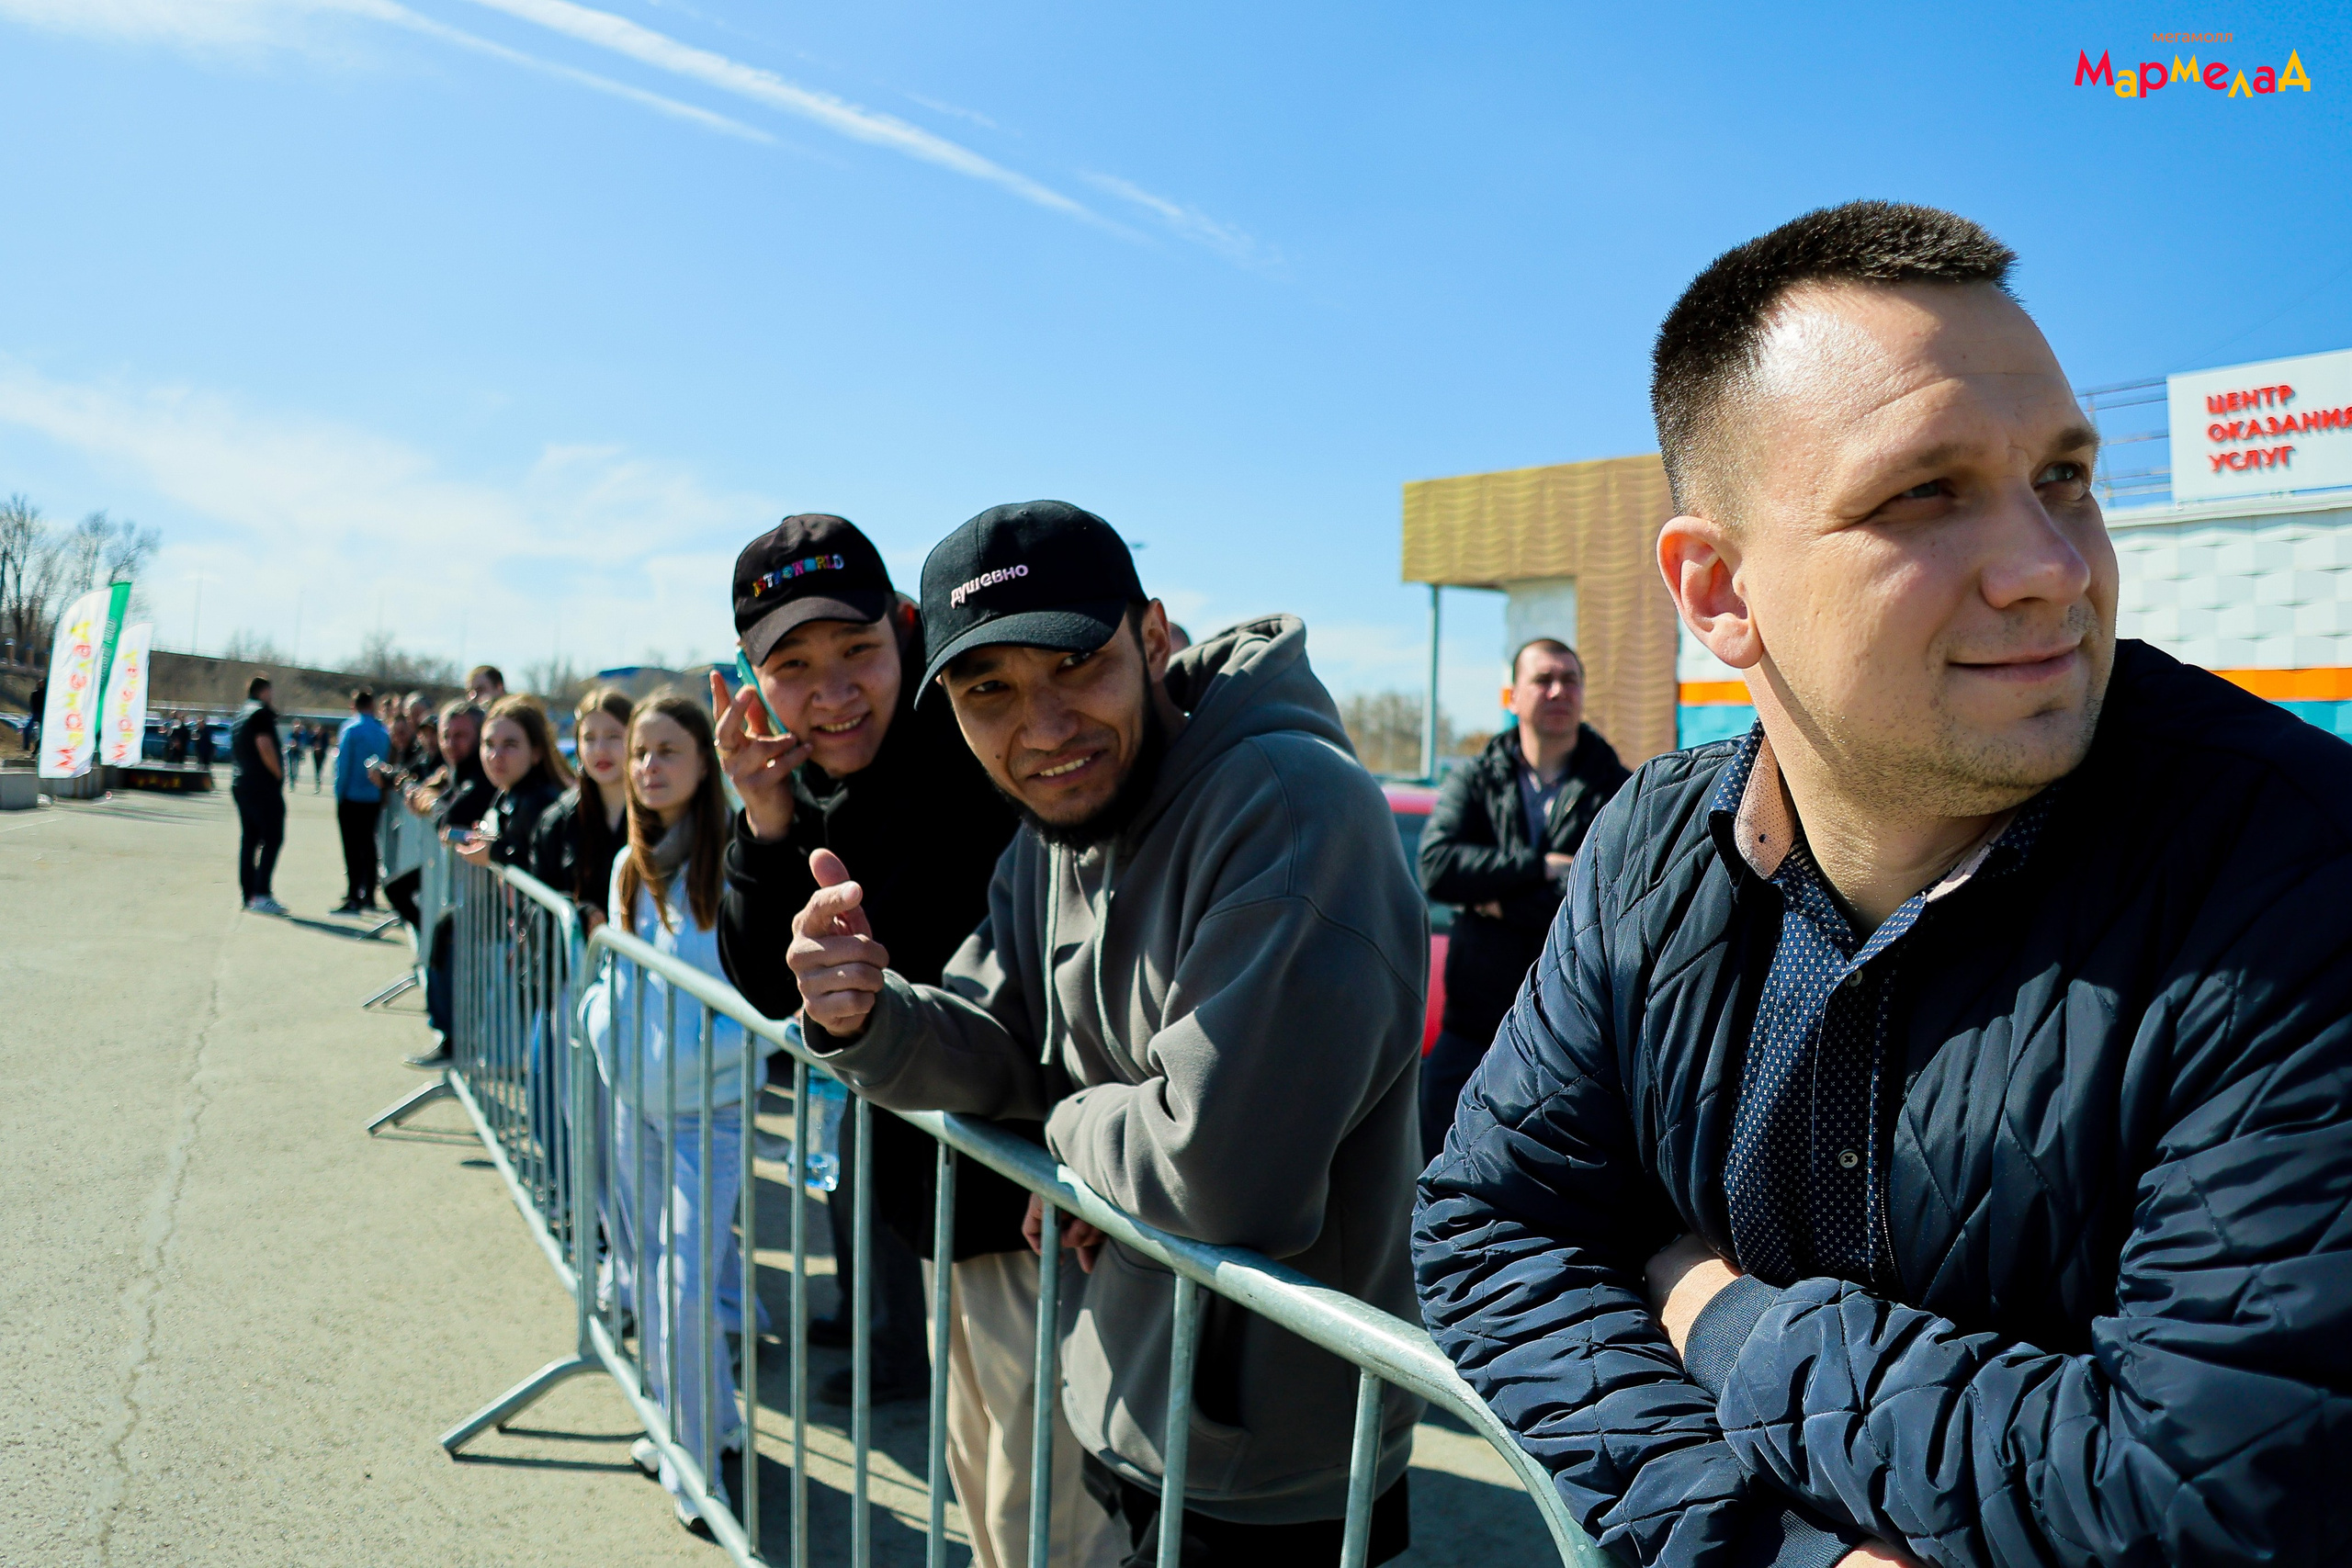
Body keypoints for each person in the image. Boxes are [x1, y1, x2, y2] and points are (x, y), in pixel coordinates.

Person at [1414, 201, 2352, 1568]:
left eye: (2066, 478)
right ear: (1721, 589)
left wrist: (1717, 1313)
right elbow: (1488, 1222)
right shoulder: (1651, 848)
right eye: (1924, 493)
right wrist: (1763, 1548)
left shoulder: (2295, 877)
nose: (2051, 568)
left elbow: (2213, 1492)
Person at [785, 501, 1428, 1566]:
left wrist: (1066, 1135)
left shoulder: (1290, 806)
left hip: (1274, 1471)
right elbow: (998, 1042)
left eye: (1073, 666)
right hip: (1119, 1396)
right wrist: (863, 1013)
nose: (1040, 727)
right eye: (988, 691)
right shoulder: (1055, 831)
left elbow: (1213, 1171)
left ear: (1155, 637)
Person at [708, 515, 1052, 1557]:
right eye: (793, 666)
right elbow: (779, 985)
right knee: (989, 1496)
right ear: (753, 677)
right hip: (941, 1205)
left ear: (906, 628)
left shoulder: (981, 752)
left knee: (1040, 1520)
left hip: (1040, 1206)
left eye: (856, 650)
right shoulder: (807, 785)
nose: (831, 691)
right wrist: (765, 820)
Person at [582, 692, 764, 1533]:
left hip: (712, 1114)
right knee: (653, 1277)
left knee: (686, 1284)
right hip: (636, 1106)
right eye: (642, 752)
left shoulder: (734, 861)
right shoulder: (630, 863)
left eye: (668, 751)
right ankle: (699, 1423)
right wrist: (602, 1029)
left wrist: (711, 1052)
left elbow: (762, 998)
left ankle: (697, 1466)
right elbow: (612, 975)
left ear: (705, 763)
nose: (649, 766)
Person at [1413, 638, 1628, 1157]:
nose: (1559, 691)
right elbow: (1437, 868)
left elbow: (1613, 904)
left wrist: (1496, 901)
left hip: (1573, 1039)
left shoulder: (1618, 789)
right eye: (1543, 679)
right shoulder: (1476, 778)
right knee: (1441, 1178)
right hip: (1472, 1029)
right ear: (1512, 696)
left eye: (1570, 680)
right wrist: (1540, 868)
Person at [406, 701, 493, 1067]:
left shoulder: (481, 773)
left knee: (447, 937)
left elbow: (450, 817)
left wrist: (433, 802)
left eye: (461, 736)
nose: (451, 743)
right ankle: (449, 1036)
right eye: (446, 735)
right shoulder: (455, 771)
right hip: (471, 891)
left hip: (492, 898)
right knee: (440, 933)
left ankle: (456, 1041)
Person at [529, 687, 632, 929]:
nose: (600, 749)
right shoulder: (557, 820)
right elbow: (534, 906)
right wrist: (574, 913)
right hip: (574, 963)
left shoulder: (659, 814)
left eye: (613, 736)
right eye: (589, 738)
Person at [230, 677, 288, 915]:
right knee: (273, 837)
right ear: (264, 691)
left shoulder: (241, 714)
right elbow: (264, 745)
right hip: (261, 785)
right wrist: (277, 773)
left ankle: (249, 893)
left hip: (242, 783)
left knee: (250, 839)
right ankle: (261, 893)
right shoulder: (260, 713)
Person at [332, 689, 392, 914]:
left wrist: (339, 794)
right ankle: (369, 895)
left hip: (351, 796)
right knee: (369, 845)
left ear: (353, 705)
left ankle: (353, 894)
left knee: (351, 847)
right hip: (373, 796)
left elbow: (343, 765)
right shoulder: (382, 731)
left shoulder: (351, 729)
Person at [310, 717, 329, 793]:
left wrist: (321, 748)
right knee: (316, 767)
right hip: (315, 753)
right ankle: (317, 782)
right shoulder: (314, 736)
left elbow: (326, 745)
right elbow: (310, 743)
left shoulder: (325, 736)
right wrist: (315, 747)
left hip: (322, 753)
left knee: (320, 767)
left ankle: (319, 778)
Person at [286, 719, 307, 786]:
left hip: (298, 751)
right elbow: (287, 740)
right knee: (290, 765)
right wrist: (291, 743)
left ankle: (295, 777)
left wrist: (298, 744)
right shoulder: (291, 734)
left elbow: (303, 742)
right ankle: (291, 778)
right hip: (291, 751)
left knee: (297, 764)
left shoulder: (301, 735)